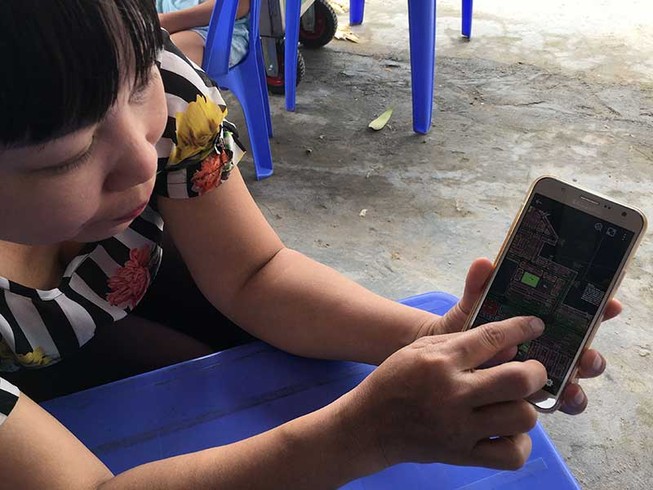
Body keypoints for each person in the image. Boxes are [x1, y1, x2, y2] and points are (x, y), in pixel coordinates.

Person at [0, 1, 616, 487]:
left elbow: (255, 273)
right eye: (67, 157)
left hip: (113, 302)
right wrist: (366, 434)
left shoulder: (157, 95)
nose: (143, 157)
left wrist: (430, 337)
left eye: (140, 83)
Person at [156, 0, 250, 67]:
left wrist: (168, 21)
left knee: (161, 57)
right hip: (165, 22)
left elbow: (239, 5)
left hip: (218, 33)